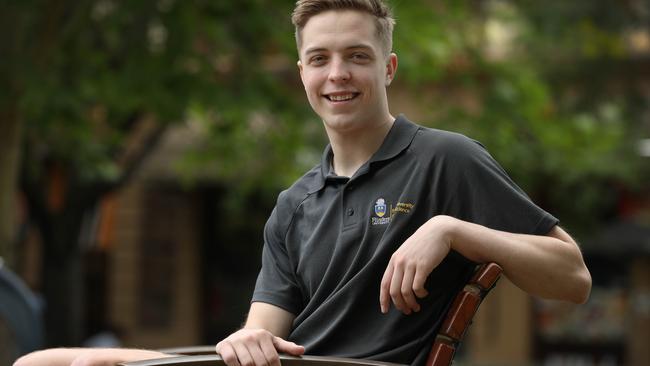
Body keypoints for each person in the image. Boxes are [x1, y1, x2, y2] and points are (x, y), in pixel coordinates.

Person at [14, 1, 592, 366]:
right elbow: (264, 334)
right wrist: (247, 341)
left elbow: (574, 278)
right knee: (47, 363)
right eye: (320, 59)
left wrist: (452, 230)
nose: (337, 73)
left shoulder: (446, 159)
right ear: (303, 75)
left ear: (388, 68)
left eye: (356, 56)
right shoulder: (294, 203)